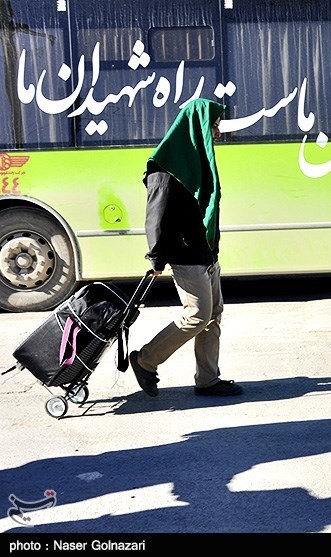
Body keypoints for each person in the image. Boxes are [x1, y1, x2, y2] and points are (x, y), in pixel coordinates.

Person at [129, 98, 243, 398]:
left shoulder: (197, 160)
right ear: (197, 126)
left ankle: (208, 380)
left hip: (205, 251)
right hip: (185, 254)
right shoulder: (165, 169)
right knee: (197, 315)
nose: (217, 133)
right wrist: (156, 257)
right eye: (213, 126)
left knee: (212, 316)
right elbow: (155, 216)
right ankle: (145, 360)